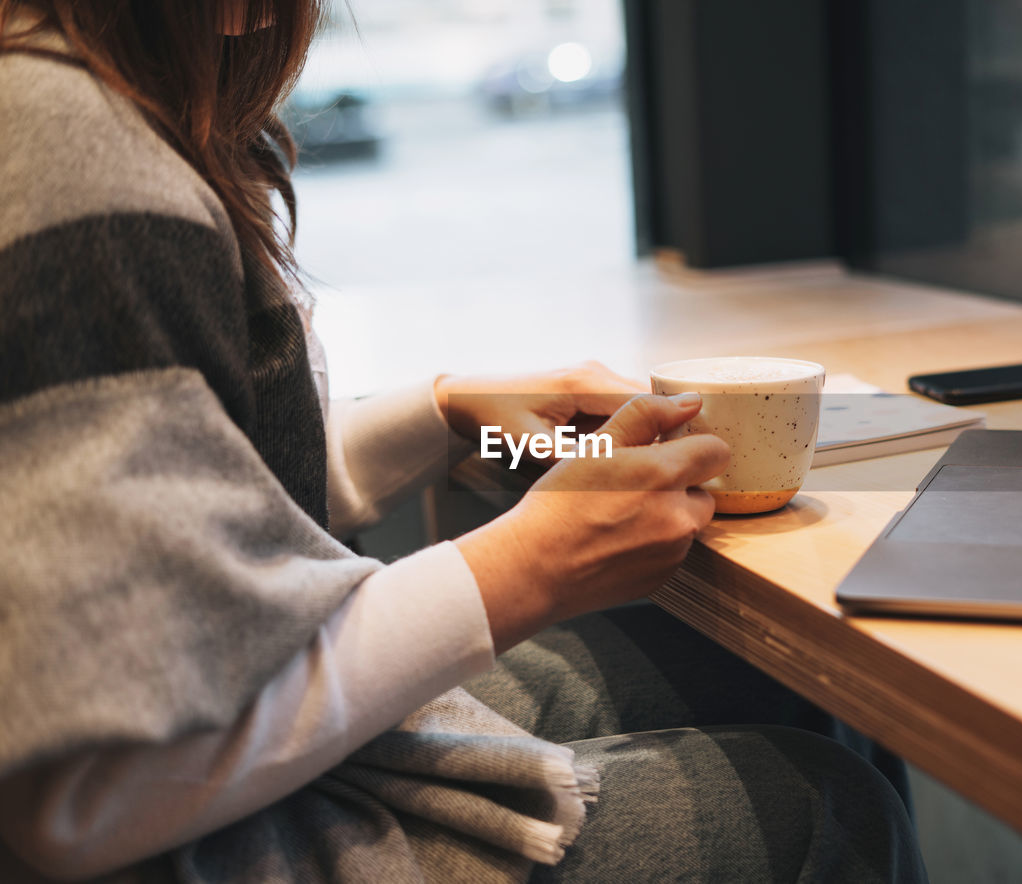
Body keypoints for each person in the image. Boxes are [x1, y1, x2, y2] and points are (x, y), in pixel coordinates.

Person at [0, 2, 927, 881]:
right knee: (819, 808)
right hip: (202, 840)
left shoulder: (97, 105)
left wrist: (437, 414)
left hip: (236, 758)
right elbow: (93, 791)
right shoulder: (65, 143)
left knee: (774, 679)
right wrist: (522, 568)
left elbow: (188, 507)